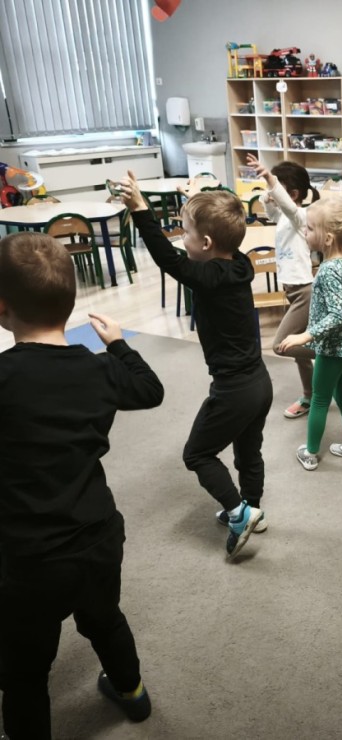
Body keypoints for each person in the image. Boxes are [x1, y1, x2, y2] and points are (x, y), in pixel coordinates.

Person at [0, 231, 164, 738]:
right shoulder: (101, 370)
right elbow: (150, 390)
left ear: (2, 308)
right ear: (71, 303)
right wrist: (117, 343)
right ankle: (132, 694)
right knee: (105, 619)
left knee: (25, 669)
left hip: (29, 558)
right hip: (98, 537)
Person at [120, 172, 272, 557]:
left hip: (233, 389)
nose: (180, 239)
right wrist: (197, 197)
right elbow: (214, 227)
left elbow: (167, 258)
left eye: (185, 233)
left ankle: (239, 512)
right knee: (248, 452)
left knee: (197, 454)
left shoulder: (207, 276)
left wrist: (140, 211)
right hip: (260, 382)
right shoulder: (239, 263)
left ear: (206, 243)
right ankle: (253, 507)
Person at [277, 198, 342, 471]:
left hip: (334, 349)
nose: (304, 232)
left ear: (328, 238)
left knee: (319, 399)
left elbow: (338, 314)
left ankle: (309, 452)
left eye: (309, 228)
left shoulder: (329, 271)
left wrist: (305, 336)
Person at [247, 153, 320, 419]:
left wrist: (270, 179)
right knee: (300, 353)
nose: (272, 191)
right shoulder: (286, 218)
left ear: (294, 194)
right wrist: (267, 198)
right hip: (292, 290)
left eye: (277, 188)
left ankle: (333, 353)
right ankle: (310, 396)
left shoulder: (302, 216)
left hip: (304, 292)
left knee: (281, 345)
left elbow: (288, 208)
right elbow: (274, 213)